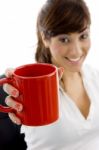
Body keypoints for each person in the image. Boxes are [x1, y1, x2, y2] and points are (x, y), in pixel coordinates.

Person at [2, 0, 99, 149]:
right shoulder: (31, 88)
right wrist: (12, 89)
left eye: (83, 36)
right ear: (45, 38)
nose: (77, 51)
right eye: (64, 39)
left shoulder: (95, 77)